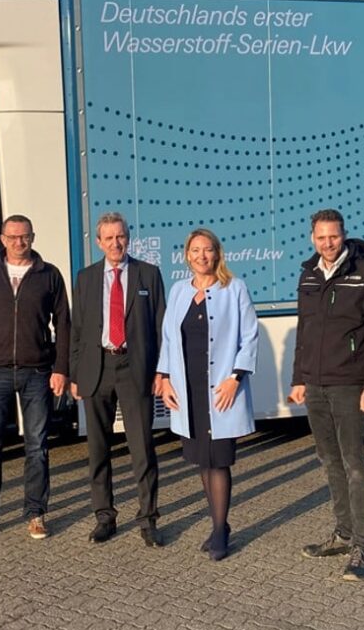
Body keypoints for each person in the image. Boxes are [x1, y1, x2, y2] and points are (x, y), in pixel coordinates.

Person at [288, 209, 364, 582]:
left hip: (350, 384)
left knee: (354, 463)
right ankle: (344, 534)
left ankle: (363, 547)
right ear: (312, 238)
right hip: (315, 385)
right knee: (329, 461)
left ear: (343, 235)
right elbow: (304, 330)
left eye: (333, 236)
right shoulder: (309, 274)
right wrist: (299, 378)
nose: (327, 243)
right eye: (321, 237)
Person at [0, 215, 70, 541]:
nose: (19, 242)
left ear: (33, 237)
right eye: (12, 237)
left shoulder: (49, 275)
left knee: (37, 446)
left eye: (24, 237)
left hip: (37, 372)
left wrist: (61, 368)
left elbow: (63, 324)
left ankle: (36, 513)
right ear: (2, 239)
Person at [157, 228, 258, 560]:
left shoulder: (234, 288)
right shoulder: (178, 291)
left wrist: (235, 378)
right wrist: (164, 378)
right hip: (189, 390)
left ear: (217, 253)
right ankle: (219, 524)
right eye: (195, 250)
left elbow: (250, 336)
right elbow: (168, 339)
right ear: (187, 255)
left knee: (219, 460)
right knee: (202, 458)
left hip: (221, 390)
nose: (202, 256)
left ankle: (219, 531)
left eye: (208, 250)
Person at [70, 212, 167, 546]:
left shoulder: (148, 274)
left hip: (134, 368)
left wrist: (162, 371)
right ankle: (104, 516)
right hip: (97, 369)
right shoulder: (85, 278)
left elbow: (161, 327)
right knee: (98, 449)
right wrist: (75, 374)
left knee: (143, 448)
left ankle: (148, 519)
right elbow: (77, 329)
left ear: (128, 237)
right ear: (99, 242)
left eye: (120, 236)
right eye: (109, 238)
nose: (116, 243)